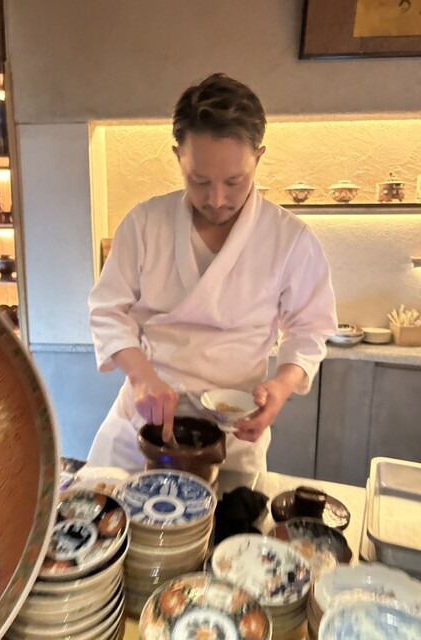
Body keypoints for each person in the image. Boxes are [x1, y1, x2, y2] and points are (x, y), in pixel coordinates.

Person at [87, 72, 337, 480]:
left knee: (230, 518)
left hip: (232, 433)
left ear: (258, 157)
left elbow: (310, 331)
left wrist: (279, 388)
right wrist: (141, 376)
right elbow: (107, 311)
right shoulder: (145, 224)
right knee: (105, 511)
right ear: (178, 157)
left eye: (234, 181)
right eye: (199, 180)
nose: (217, 199)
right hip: (143, 424)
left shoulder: (289, 240)